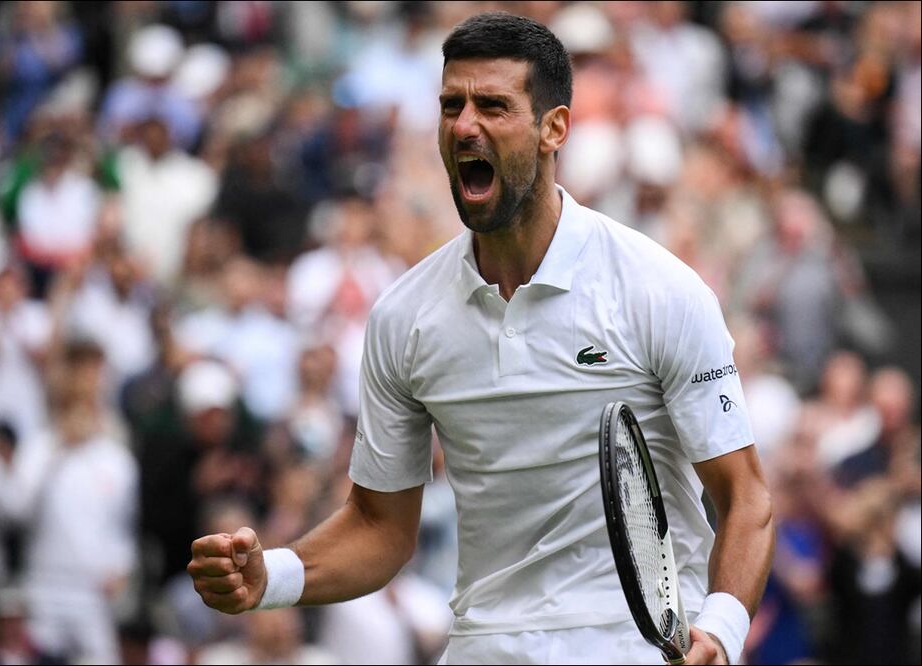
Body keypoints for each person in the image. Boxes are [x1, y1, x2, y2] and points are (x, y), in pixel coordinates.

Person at [189, 12, 773, 665]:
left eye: (492, 106)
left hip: (632, 648)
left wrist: (719, 630)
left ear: (554, 128)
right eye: (450, 105)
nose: (464, 125)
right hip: (482, 646)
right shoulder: (402, 317)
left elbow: (744, 495)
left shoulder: (659, 291)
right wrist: (273, 577)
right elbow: (379, 527)